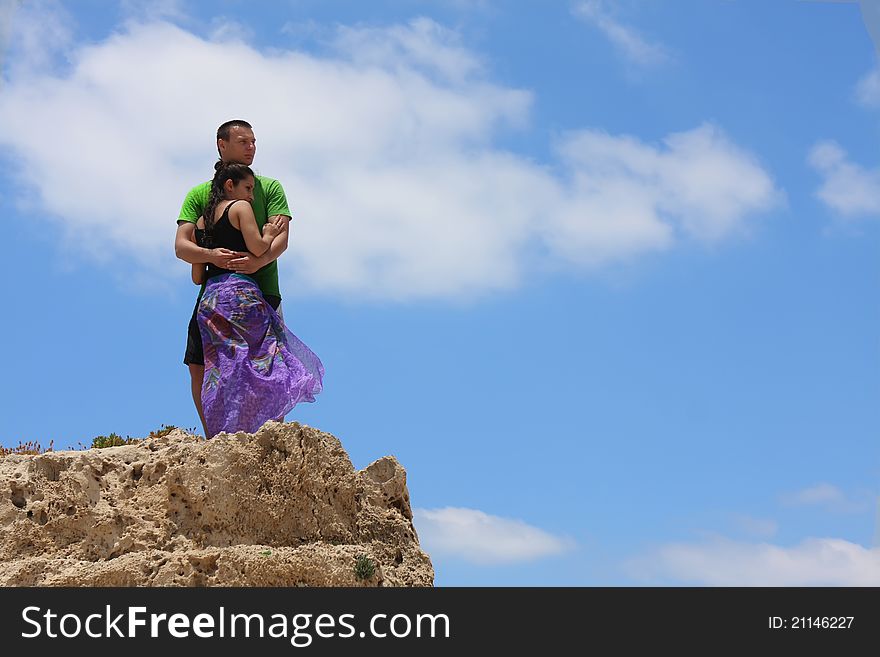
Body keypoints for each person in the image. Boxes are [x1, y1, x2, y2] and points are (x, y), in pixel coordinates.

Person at [190, 160, 323, 438]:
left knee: (224, 367)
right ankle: (262, 430)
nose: (251, 194)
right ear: (230, 186)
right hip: (241, 295)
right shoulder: (240, 208)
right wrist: (269, 233)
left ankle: (222, 432)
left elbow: (196, 275)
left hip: (210, 301)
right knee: (267, 361)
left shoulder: (201, 221)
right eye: (248, 187)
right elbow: (258, 247)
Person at [174, 119, 291, 436]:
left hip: (262, 289)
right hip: (217, 294)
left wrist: (258, 262)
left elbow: (282, 238)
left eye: (254, 142)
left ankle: (267, 436)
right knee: (199, 365)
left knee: (267, 362)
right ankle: (217, 436)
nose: (251, 147)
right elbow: (181, 245)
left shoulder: (271, 187)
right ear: (221, 145)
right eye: (243, 141)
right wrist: (213, 255)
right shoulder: (199, 193)